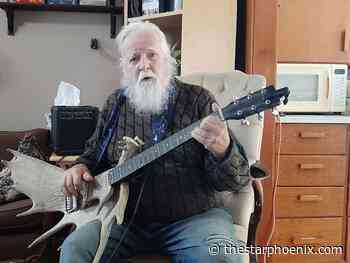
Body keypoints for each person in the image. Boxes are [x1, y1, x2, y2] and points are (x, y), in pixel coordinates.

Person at [60, 21, 251, 263]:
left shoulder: (199, 100)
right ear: (124, 68)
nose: (144, 65)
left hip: (195, 218)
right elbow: (92, 155)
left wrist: (224, 151)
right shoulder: (115, 104)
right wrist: (80, 167)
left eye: (152, 55)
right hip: (123, 219)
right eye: (134, 59)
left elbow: (238, 180)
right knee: (75, 249)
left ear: (168, 61)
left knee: (220, 257)